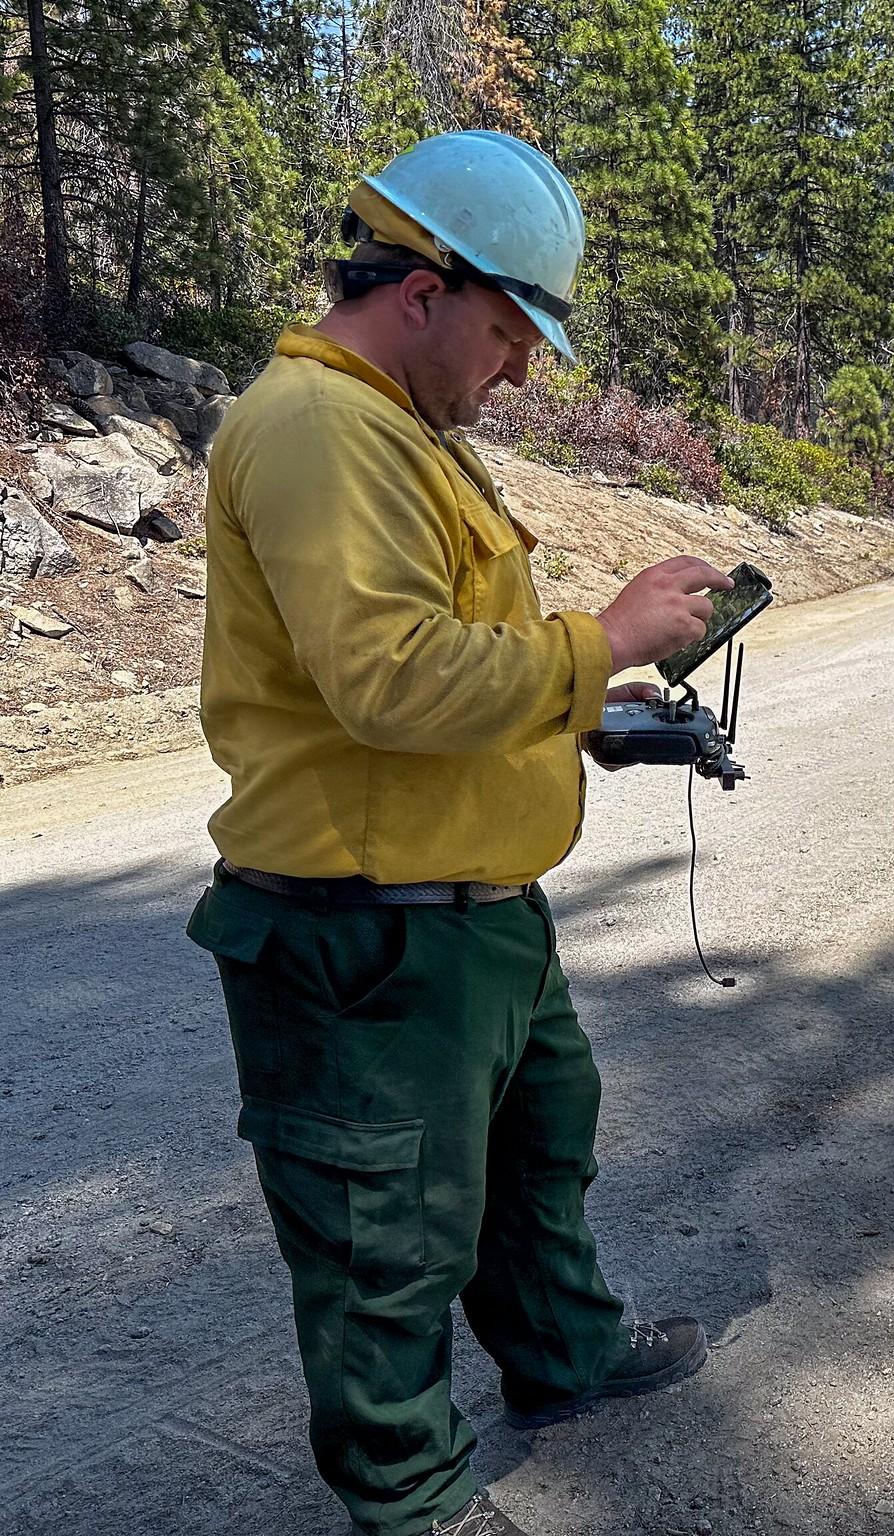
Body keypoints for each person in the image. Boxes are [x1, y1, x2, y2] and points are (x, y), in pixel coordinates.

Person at [183, 129, 727, 1536]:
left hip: (474, 914)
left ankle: (560, 1357)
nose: (521, 368)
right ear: (423, 289)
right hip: (365, 934)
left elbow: (454, 648)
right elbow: (390, 679)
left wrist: (590, 698)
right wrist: (601, 643)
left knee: (541, 1154)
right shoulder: (316, 427)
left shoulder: (394, 430)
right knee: (385, 1238)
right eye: (507, 332)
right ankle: (409, 1498)